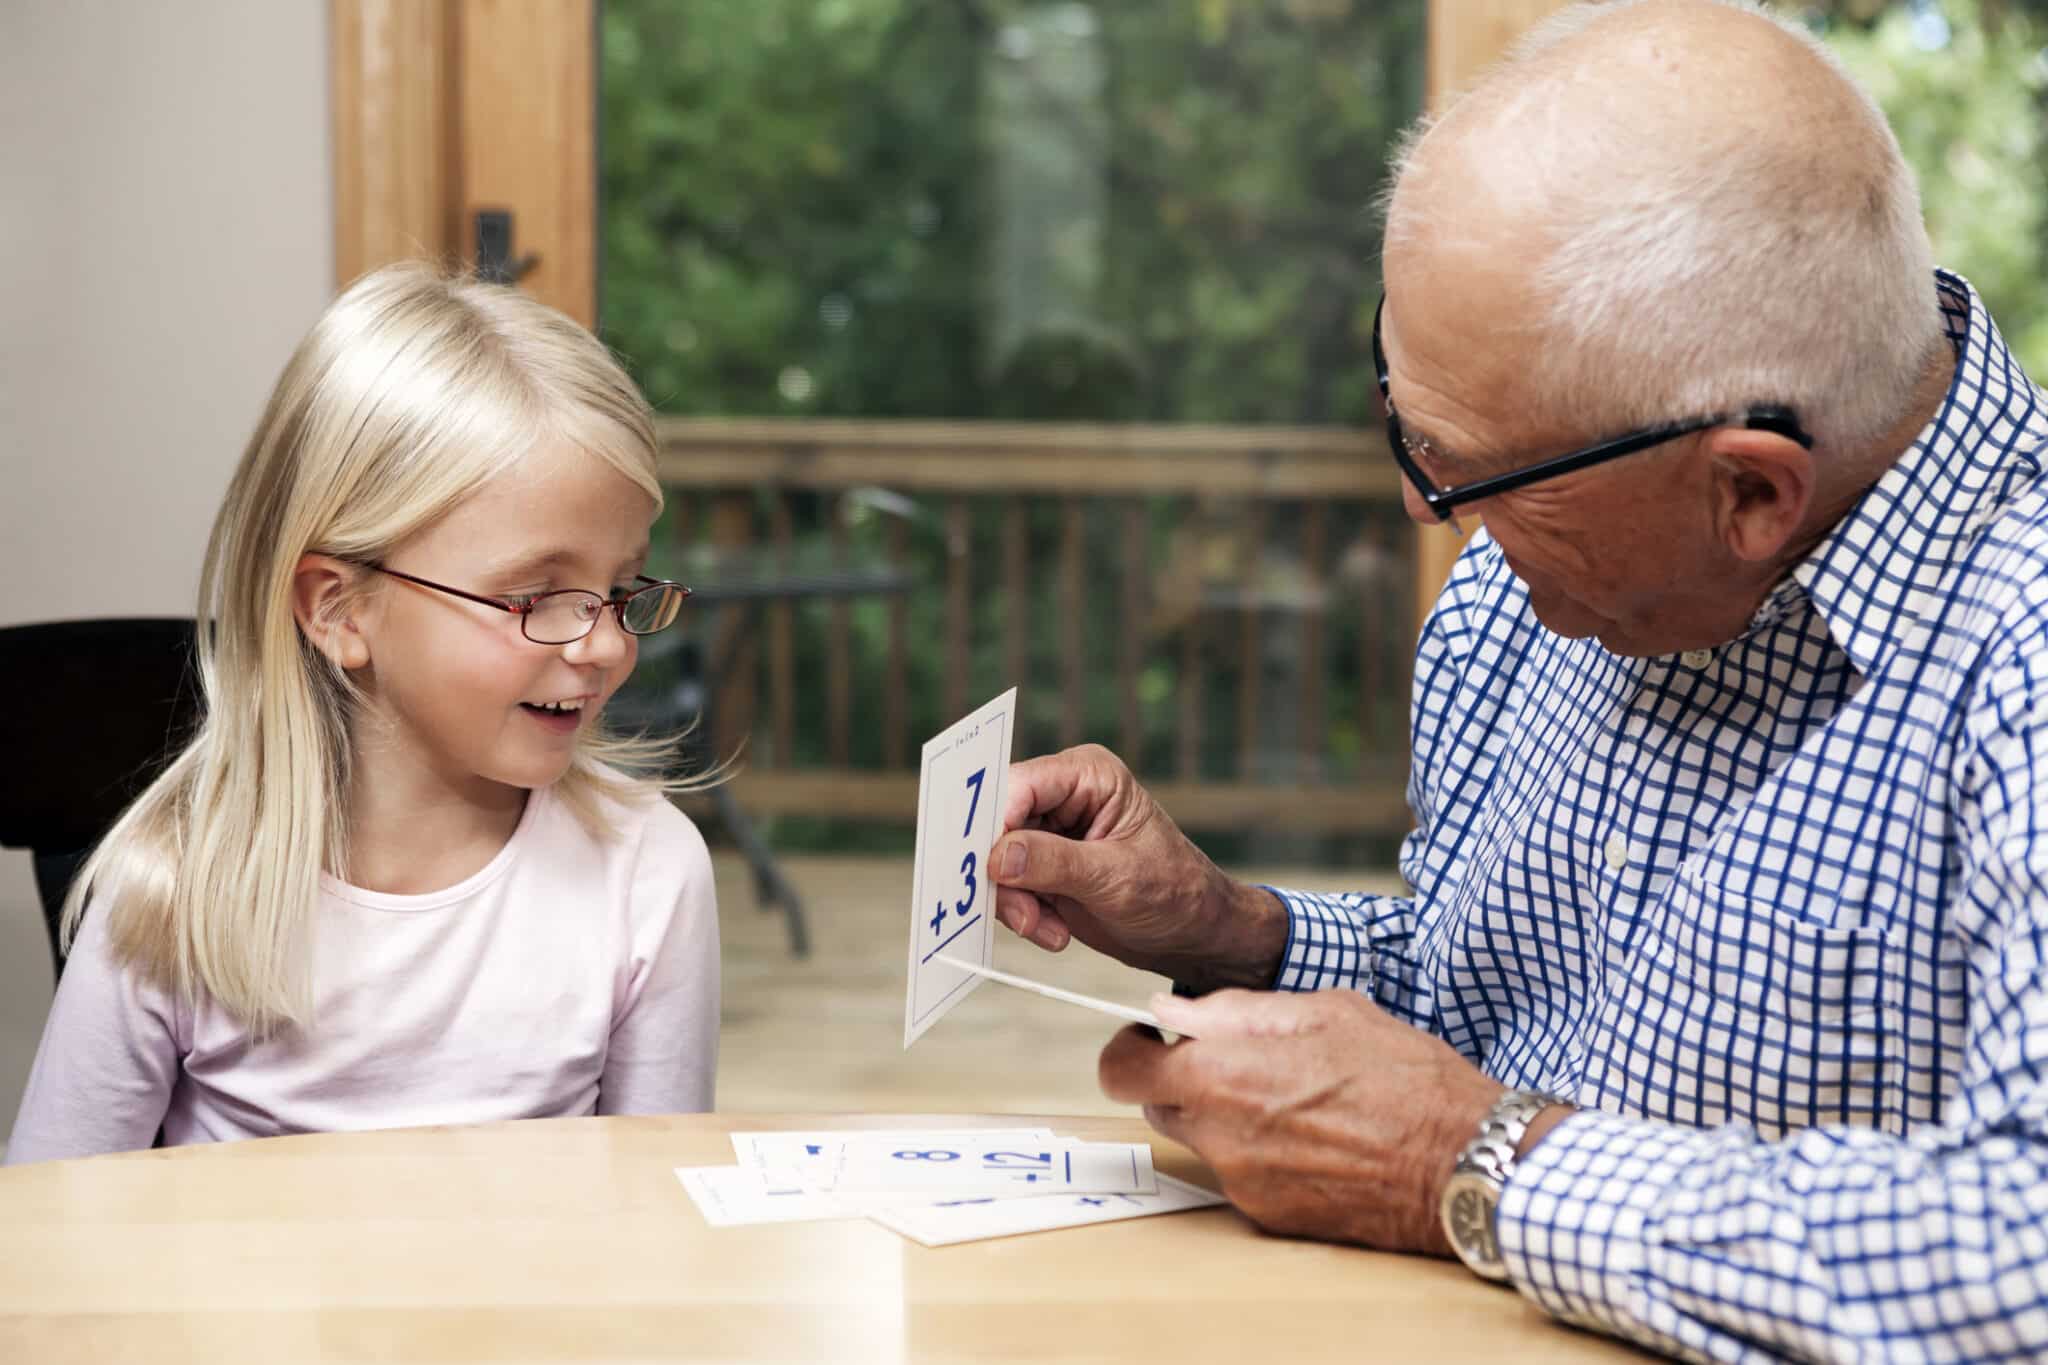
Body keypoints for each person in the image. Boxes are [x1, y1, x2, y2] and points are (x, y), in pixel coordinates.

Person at [986, 1, 2048, 1358]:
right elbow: (1486, 993)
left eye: (1474, 479)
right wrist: (1232, 930)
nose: (1437, 522)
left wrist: (1467, 1164)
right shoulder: (1531, 587)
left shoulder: (2021, 650)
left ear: (1750, 492)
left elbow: (2026, 1252)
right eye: (1409, 427)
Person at [6, 263, 719, 1164]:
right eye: (538, 592)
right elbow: (48, 1231)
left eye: (620, 588)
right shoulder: (173, 891)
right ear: (339, 609)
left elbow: (659, 1217)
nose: (608, 644)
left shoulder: (649, 872)